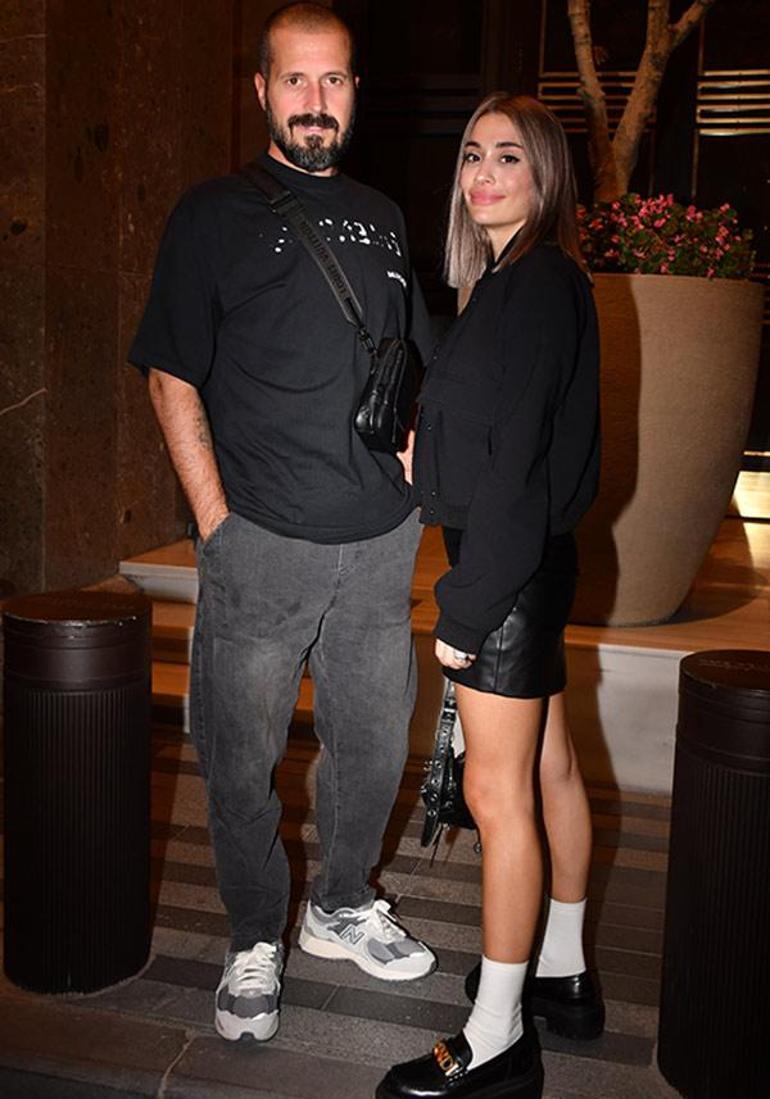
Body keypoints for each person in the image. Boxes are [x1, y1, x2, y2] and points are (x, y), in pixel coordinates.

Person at [129, 2, 436, 1045]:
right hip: (259, 536)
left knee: (371, 748)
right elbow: (171, 373)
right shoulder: (212, 212)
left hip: (378, 541)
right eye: (295, 80)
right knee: (239, 754)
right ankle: (254, 932)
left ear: (354, 92)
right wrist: (216, 521)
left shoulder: (385, 216)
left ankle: (340, 903)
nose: (315, 100)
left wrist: (413, 479)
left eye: (333, 79)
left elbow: (406, 362)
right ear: (261, 89)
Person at [376, 94, 603, 1099]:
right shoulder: (509, 284)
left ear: (545, 173)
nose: (483, 174)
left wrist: (465, 610)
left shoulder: (537, 282)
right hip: (524, 559)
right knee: (549, 768)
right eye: (472, 154)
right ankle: (560, 969)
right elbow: (501, 441)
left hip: (503, 570)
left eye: (508, 156)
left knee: (495, 796)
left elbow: (518, 468)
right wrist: (425, 457)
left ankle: (498, 1035)